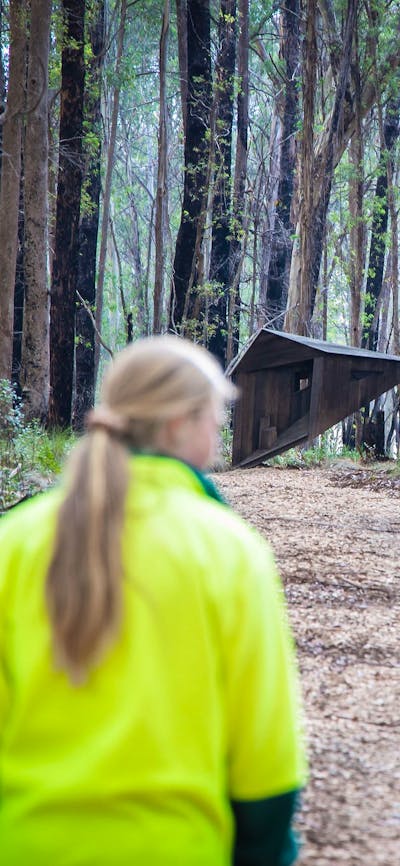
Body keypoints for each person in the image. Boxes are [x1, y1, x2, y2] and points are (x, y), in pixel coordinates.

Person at [0, 335, 307, 866]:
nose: (217, 434)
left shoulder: (15, 541)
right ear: (176, 422)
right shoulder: (229, 550)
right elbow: (266, 757)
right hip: (176, 847)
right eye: (213, 416)